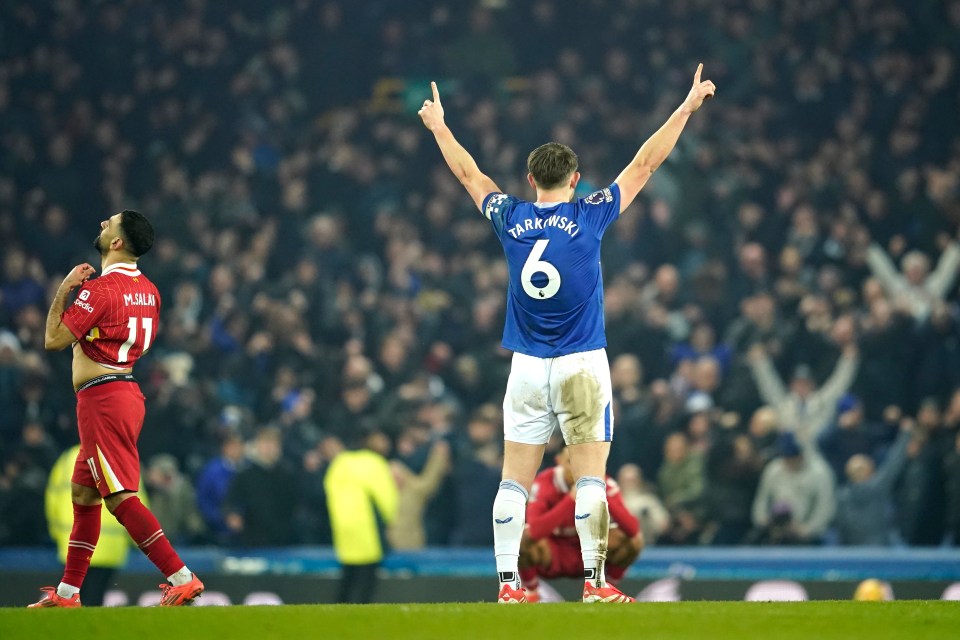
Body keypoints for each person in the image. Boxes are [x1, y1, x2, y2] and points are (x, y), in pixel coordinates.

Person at [419, 64, 715, 603]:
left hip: (527, 366)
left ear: (531, 180)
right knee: (589, 478)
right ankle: (596, 584)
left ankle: (508, 586)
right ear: (574, 179)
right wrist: (687, 106)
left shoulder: (509, 216)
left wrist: (440, 127)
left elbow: (470, 175)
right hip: (582, 363)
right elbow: (646, 162)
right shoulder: (590, 215)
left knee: (514, 480)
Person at [29, 210, 204, 608]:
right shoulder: (151, 291)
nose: (102, 225)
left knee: (118, 496)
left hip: (103, 399)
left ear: (118, 242)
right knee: (84, 493)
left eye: (109, 224)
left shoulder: (102, 289)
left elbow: (53, 340)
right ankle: (70, 593)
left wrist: (66, 288)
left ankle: (182, 576)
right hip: (122, 390)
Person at [519, 447, 643, 602]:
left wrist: (599, 492)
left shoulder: (602, 481)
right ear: (559, 462)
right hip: (554, 553)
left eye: (582, 463)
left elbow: (633, 530)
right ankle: (532, 592)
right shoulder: (544, 482)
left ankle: (604, 588)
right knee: (520, 538)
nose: (578, 469)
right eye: (571, 462)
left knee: (633, 542)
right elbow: (534, 531)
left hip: (590, 553)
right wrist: (571, 500)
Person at [45, 445, 139, 606]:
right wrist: (139, 541)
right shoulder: (122, 456)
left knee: (70, 596)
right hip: (111, 547)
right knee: (95, 598)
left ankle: (69, 629)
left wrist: (56, 534)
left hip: (73, 543)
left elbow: (52, 499)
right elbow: (136, 504)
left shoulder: (67, 459)